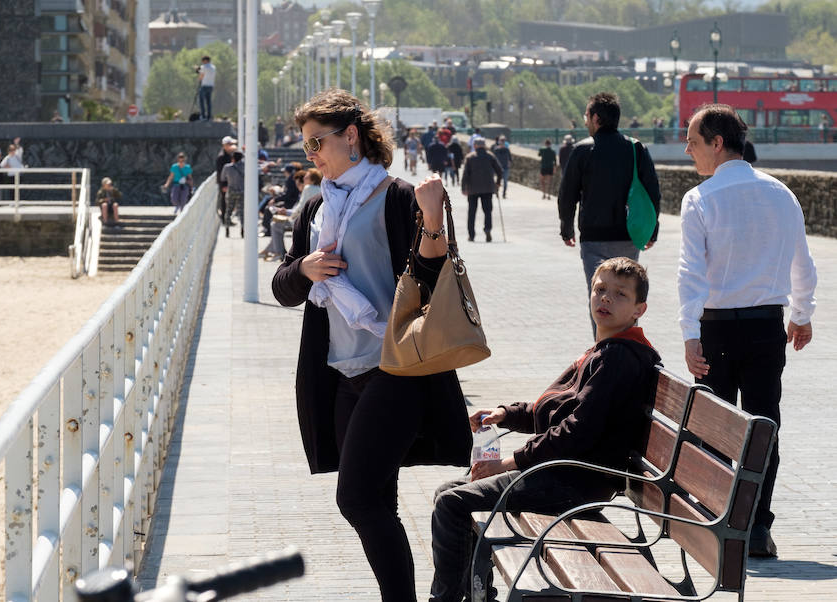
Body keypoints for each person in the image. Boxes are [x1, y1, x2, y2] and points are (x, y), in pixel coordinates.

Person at [272, 89, 471, 601]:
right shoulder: (316, 208)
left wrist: (433, 222)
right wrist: (305, 268)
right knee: (379, 500)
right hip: (340, 373)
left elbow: (432, 280)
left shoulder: (398, 197)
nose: (311, 154)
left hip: (396, 368)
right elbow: (283, 288)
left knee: (356, 498)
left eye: (317, 142)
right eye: (306, 145)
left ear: (351, 136)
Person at [430, 257, 660, 602]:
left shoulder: (618, 358)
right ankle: (474, 594)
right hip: (563, 473)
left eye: (620, 294)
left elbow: (576, 431)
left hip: (573, 482)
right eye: (600, 289)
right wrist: (505, 414)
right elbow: (553, 411)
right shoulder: (607, 351)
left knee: (452, 503)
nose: (606, 298)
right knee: (448, 492)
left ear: (639, 309)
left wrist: (508, 463)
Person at [678, 104, 818, 559]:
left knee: (713, 431)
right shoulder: (782, 194)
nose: (688, 150)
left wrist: (689, 333)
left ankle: (718, 520)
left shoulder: (700, 199)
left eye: (693, 142)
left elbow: (690, 274)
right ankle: (757, 527)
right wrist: (801, 314)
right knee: (763, 426)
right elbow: (802, 263)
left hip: (716, 330)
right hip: (766, 327)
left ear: (717, 143)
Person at [558, 92, 661, 335]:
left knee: (599, 296)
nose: (585, 120)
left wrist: (566, 228)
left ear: (596, 118)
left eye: (586, 115)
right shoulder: (636, 148)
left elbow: (567, 194)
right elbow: (652, 193)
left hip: (593, 237)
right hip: (628, 236)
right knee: (626, 294)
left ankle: (604, 347)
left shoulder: (582, 150)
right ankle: (629, 346)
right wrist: (652, 231)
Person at [461, 137, 502, 243]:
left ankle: (471, 235)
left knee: (472, 212)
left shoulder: (470, 157)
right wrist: (498, 183)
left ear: (475, 146)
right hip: (488, 188)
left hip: (472, 189)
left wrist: (463, 187)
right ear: (484, 145)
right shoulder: (490, 156)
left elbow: (465, 174)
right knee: (487, 211)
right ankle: (487, 229)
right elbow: (500, 171)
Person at [216, 136, 238, 221]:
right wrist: (223, 185)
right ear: (225, 145)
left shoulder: (229, 155)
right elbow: (220, 172)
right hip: (225, 183)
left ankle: (227, 218)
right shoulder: (221, 157)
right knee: (225, 202)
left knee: (230, 201)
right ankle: (225, 219)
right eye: (230, 144)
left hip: (230, 182)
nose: (232, 145)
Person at [197, 55, 216, 121]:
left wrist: (198, 71)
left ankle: (203, 116)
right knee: (208, 102)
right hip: (211, 86)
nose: (202, 62)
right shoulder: (213, 67)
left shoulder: (203, 67)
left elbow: (201, 76)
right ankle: (209, 116)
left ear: (205, 60)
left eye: (203, 61)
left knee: (201, 101)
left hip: (204, 85)